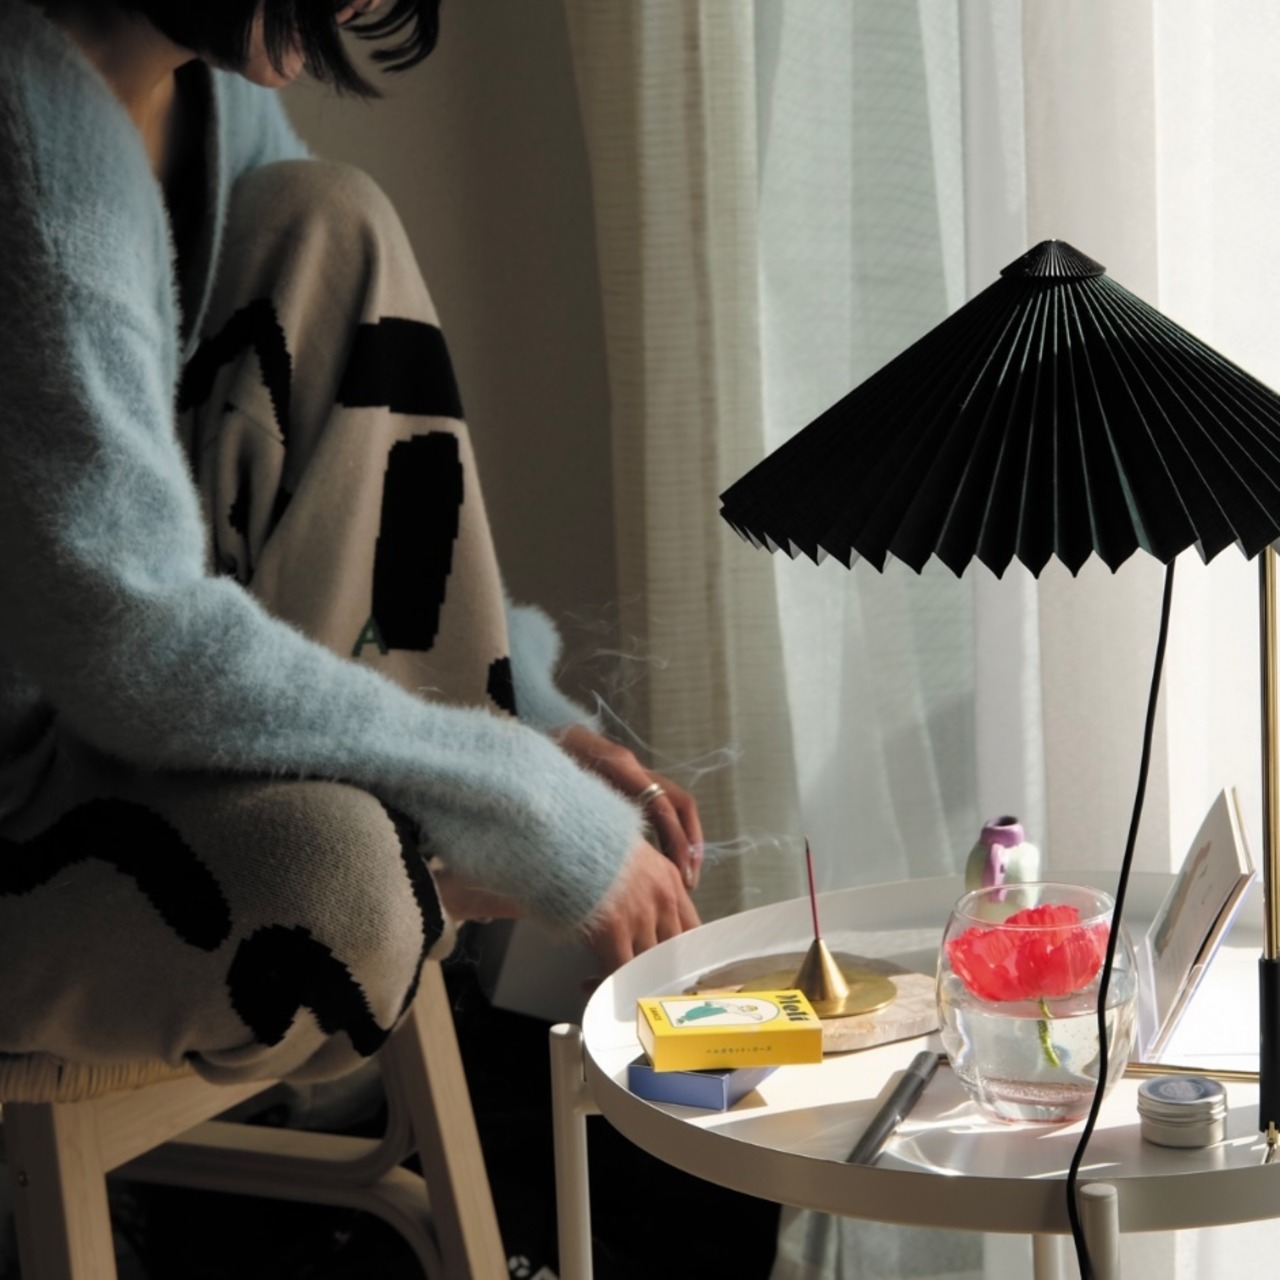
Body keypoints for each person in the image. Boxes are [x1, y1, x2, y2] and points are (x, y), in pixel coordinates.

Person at [0, 0, 702, 1086]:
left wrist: (528, 722)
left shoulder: (209, 97)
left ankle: (426, 851)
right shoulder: (27, 135)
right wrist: (516, 802)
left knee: (332, 220)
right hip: (25, 822)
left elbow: (363, 495)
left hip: (120, 747)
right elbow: (131, 642)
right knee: (342, 890)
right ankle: (422, 872)